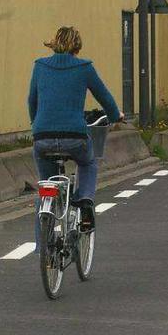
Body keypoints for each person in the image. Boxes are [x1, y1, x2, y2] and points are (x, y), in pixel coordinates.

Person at [28, 26, 123, 233]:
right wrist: (116, 116)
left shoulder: (40, 66)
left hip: (42, 137)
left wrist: (36, 125)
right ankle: (85, 200)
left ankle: (42, 244)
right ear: (77, 47)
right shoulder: (84, 67)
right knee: (88, 162)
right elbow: (104, 96)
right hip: (75, 137)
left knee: (46, 187)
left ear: (54, 43)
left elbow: (32, 101)